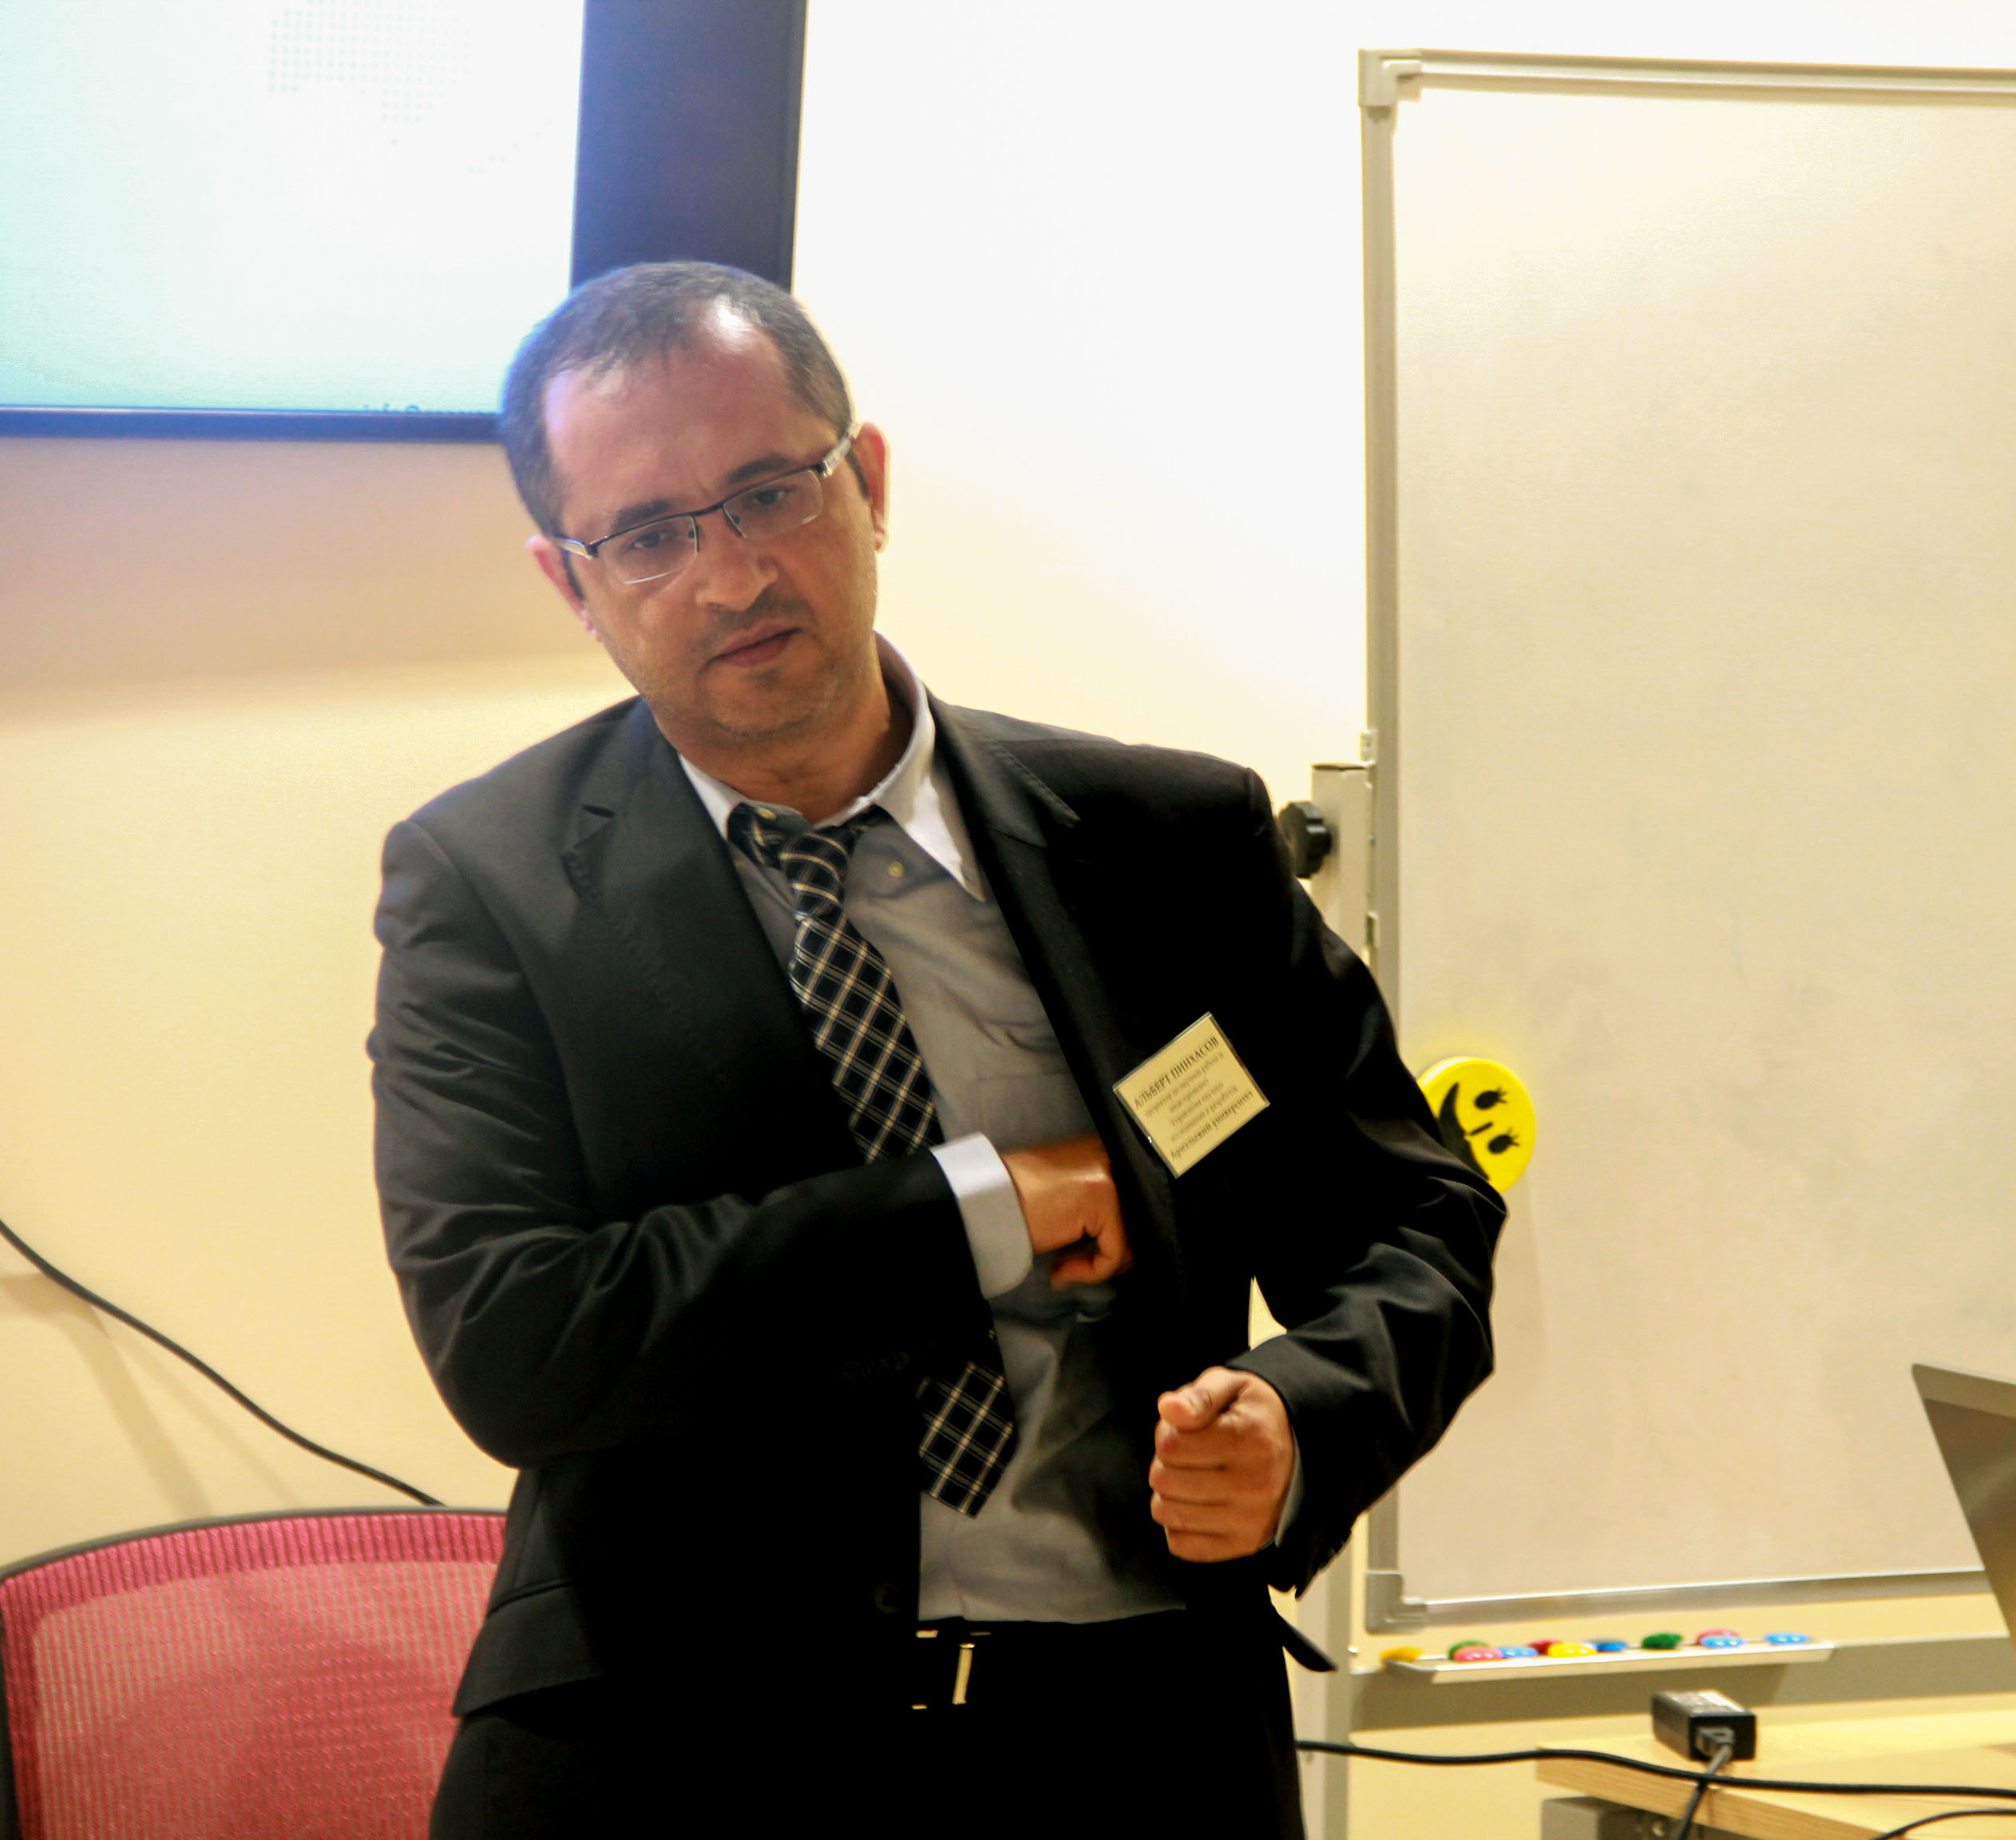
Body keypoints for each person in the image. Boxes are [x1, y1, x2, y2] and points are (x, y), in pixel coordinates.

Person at [370, 261, 1503, 1837]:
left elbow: (1414, 1219)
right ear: (572, 582)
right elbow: (515, 1335)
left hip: (1137, 1739)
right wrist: (985, 1209)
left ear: (871, 485)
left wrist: (1302, 1419)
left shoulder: (1165, 843)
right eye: (648, 535)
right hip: (684, 1746)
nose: (730, 574)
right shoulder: (491, 884)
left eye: (769, 493)